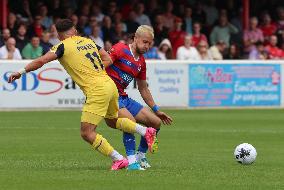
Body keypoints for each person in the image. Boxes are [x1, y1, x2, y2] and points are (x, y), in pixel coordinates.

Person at [8, 19, 157, 171]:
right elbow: (106, 58)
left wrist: (20, 72)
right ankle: (145, 132)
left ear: (59, 35)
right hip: (110, 85)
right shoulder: (88, 41)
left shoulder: (62, 46)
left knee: (86, 133)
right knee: (112, 122)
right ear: (74, 31)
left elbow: (42, 60)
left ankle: (121, 156)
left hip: (96, 90)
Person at [106, 25, 173, 170]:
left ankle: (140, 156)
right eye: (145, 42)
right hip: (109, 96)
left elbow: (143, 88)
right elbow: (102, 65)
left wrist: (156, 109)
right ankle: (131, 162)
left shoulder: (141, 62)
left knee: (155, 123)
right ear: (135, 38)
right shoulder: (120, 49)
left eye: (150, 43)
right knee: (129, 121)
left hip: (123, 97)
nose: (147, 46)